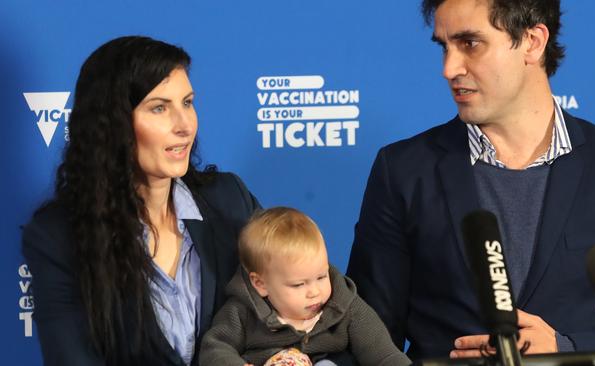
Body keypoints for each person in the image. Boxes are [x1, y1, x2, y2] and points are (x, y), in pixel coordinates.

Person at [347, 0, 595, 361]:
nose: (449, 68)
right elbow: (369, 336)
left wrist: (564, 348)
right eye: (444, 47)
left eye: (470, 44)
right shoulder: (402, 170)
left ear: (532, 42)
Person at [21, 36, 260, 365]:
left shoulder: (231, 199)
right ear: (113, 124)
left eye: (187, 102)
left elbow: (303, 297)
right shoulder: (58, 238)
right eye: (160, 108)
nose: (184, 125)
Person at [199, 207, 411, 366]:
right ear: (260, 284)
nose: (314, 292)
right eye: (299, 284)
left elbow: (384, 355)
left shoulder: (346, 307)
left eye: (321, 276)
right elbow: (215, 348)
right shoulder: (242, 312)